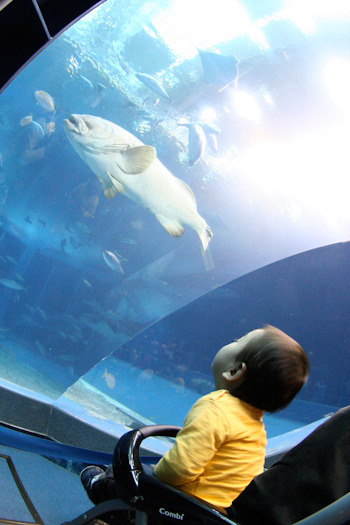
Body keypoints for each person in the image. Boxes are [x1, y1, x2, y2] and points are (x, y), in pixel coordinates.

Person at [80, 325, 309, 514]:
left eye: (238, 341)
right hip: (220, 513)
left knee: (128, 476)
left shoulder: (216, 406)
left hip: (187, 504)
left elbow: (178, 470)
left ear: (235, 371)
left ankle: (101, 487)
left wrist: (151, 481)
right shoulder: (255, 426)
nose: (233, 339)